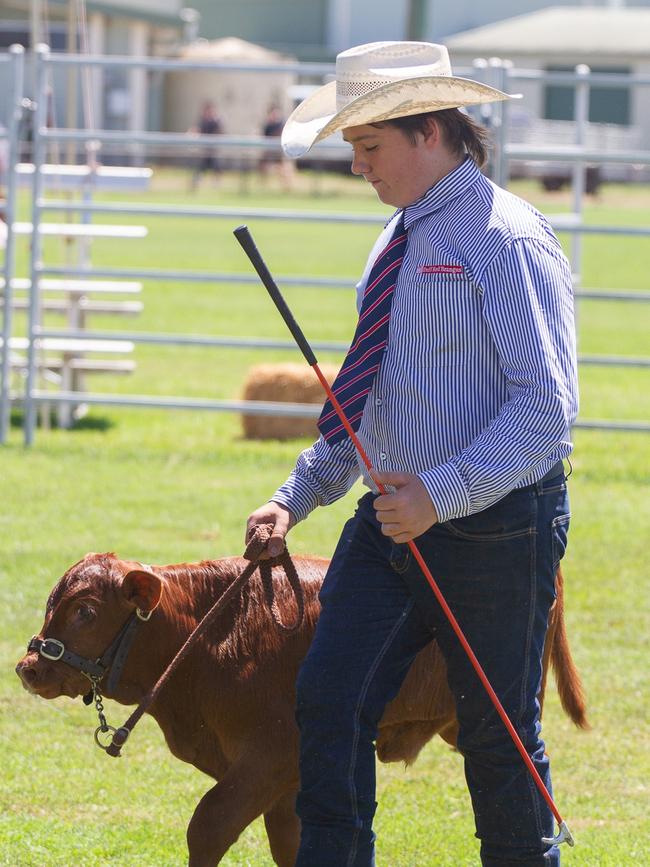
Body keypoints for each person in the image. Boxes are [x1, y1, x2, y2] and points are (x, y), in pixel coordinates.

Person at [246, 41, 578, 867]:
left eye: (369, 148)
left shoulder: (504, 239)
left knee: (497, 731)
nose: (358, 167)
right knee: (328, 697)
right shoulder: (395, 237)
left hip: (497, 525)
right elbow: (368, 399)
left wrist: (442, 492)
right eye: (353, 150)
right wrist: (296, 495)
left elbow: (546, 408)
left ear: (430, 131)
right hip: (392, 518)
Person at [259, 104, 295, 190]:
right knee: (263, 168)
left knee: (284, 169)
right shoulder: (267, 125)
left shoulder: (282, 125)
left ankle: (287, 187)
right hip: (269, 151)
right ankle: (263, 187)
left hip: (279, 151)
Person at [189, 100, 223, 190]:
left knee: (216, 166)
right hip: (204, 149)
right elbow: (197, 130)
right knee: (201, 167)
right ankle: (195, 183)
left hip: (212, 149)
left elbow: (220, 132)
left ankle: (216, 184)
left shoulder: (216, 121)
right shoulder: (202, 121)